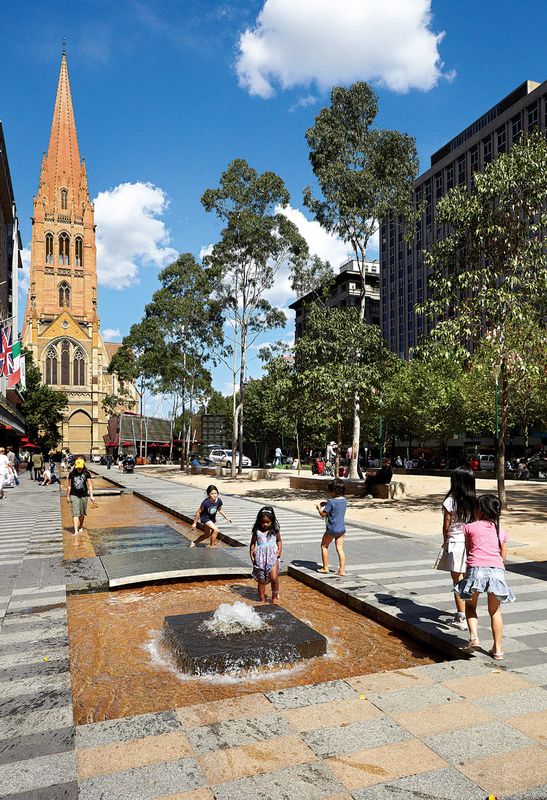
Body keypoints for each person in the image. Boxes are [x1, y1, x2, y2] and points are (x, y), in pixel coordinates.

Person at [455, 494, 515, 660]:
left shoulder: (469, 527)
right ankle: (498, 650)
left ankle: (474, 637)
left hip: (476, 570)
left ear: (479, 510)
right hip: (497, 572)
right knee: (495, 611)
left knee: (471, 606)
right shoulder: (501, 531)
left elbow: (469, 551)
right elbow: (502, 557)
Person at [437, 466, 477, 631]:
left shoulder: (450, 500)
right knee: (468, 581)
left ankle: (461, 616)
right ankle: (469, 613)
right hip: (471, 544)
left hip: (455, 543)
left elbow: (446, 525)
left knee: (457, 582)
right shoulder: (475, 501)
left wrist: (445, 542)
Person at [250, 506, 282, 603]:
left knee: (274, 577)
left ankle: (275, 595)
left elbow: (279, 541)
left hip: (273, 557)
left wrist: (279, 552)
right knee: (261, 580)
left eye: (268, 522)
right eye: (263, 522)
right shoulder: (257, 531)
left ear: (272, 521)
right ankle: (262, 599)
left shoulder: (275, 531)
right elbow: (252, 543)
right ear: (259, 521)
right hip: (260, 558)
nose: (265, 524)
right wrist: (251, 554)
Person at [316, 479, 347, 576]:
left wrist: (319, 508)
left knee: (324, 546)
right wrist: (327, 504)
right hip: (341, 529)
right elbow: (336, 506)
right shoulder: (344, 500)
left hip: (332, 529)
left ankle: (325, 568)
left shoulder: (331, 502)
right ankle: (342, 570)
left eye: (330, 491)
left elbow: (323, 514)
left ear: (334, 491)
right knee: (340, 549)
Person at [66, 458, 96, 535]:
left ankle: (81, 526)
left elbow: (90, 485)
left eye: (80, 467)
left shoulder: (86, 473)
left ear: (83, 466)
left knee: (82, 513)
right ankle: (76, 531)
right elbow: (69, 486)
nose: (79, 469)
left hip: (84, 495)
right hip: (74, 494)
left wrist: (92, 496)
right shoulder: (71, 474)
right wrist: (68, 496)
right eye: (78, 467)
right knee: (75, 513)